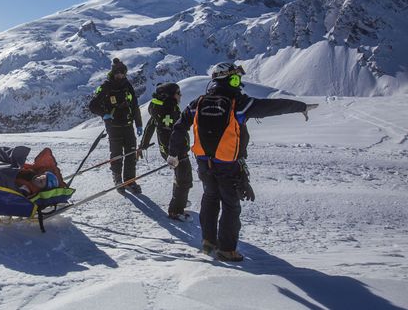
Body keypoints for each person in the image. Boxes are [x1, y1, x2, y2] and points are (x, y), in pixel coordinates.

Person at [167, 62, 318, 262]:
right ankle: (227, 250)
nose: (238, 84)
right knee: (231, 205)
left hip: (204, 163)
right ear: (226, 79)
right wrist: (300, 106)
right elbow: (270, 107)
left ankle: (209, 241)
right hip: (228, 163)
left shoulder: (198, 102)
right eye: (235, 79)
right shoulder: (238, 102)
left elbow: (179, 127)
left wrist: (174, 153)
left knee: (210, 198)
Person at [139, 82, 193, 221]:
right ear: (170, 95)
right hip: (176, 151)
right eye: (178, 93)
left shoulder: (162, 108)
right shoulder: (169, 110)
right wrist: (173, 153)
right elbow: (171, 133)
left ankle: (180, 200)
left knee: (181, 176)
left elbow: (150, 126)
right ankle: (176, 210)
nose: (180, 95)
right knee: (184, 179)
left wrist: (143, 144)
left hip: (172, 150)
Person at [89, 58, 144, 193]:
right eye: (118, 73)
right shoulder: (106, 86)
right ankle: (118, 179)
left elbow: (135, 106)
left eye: (123, 73)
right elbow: (93, 105)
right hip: (113, 126)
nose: (120, 76)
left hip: (128, 125)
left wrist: (139, 124)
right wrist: (104, 114)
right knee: (117, 154)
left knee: (131, 154)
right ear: (113, 73)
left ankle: (130, 181)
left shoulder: (127, 86)